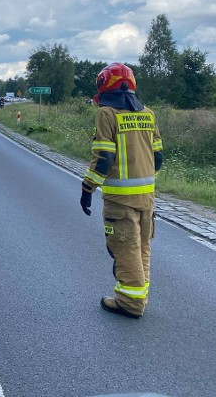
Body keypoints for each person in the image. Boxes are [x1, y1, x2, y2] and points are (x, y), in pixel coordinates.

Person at [80, 62, 164, 319]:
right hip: (146, 198)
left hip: (120, 200)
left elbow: (104, 157)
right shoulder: (148, 114)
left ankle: (130, 303)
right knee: (141, 248)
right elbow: (158, 157)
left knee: (125, 248)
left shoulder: (107, 114)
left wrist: (87, 188)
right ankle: (139, 296)